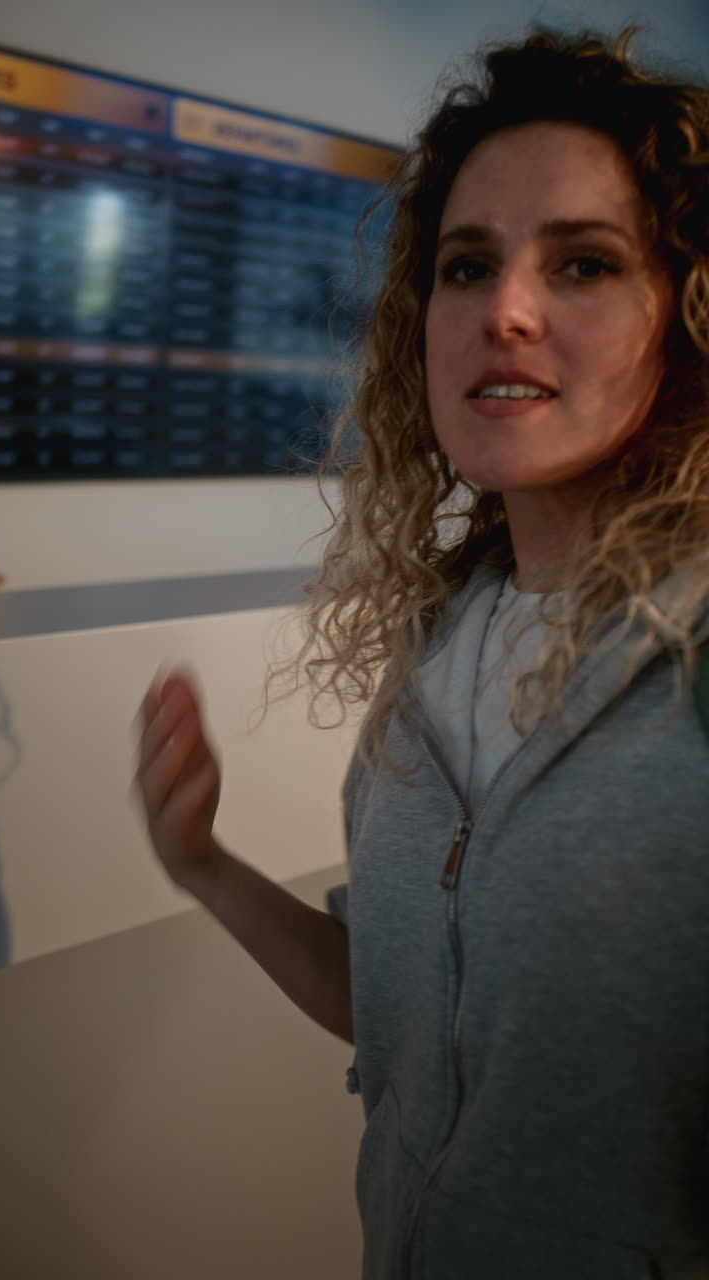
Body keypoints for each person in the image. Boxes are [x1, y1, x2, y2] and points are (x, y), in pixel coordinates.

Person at [135, 26, 709, 1279]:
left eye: (585, 262)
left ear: (688, 319)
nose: (504, 309)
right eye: (466, 265)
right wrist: (202, 864)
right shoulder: (439, 647)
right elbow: (392, 1006)